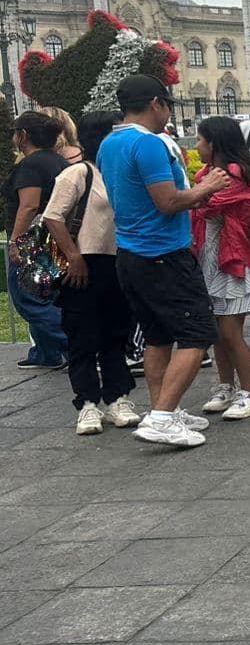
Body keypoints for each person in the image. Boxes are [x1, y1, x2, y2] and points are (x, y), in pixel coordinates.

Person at [97, 75, 231, 447]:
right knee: (198, 333)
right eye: (167, 105)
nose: (168, 113)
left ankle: (163, 410)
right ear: (156, 104)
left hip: (132, 253)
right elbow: (167, 202)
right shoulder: (149, 145)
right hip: (161, 255)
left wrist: (195, 196)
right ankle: (161, 417)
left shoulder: (110, 143)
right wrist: (207, 188)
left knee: (158, 336)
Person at [41, 111, 141, 434]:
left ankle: (117, 397)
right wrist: (74, 258)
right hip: (84, 262)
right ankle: (87, 403)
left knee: (116, 332)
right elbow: (53, 217)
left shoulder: (120, 171)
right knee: (83, 334)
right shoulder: (79, 174)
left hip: (119, 260)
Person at [191, 117, 250, 421]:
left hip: (233, 259)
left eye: (200, 140)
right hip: (211, 258)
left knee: (230, 331)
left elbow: (205, 205)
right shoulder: (210, 173)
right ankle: (226, 386)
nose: (196, 146)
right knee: (217, 331)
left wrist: (182, 196)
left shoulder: (235, 174)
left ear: (215, 143)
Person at [6, 111, 70, 370]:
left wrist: (15, 242)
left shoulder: (31, 165)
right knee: (46, 295)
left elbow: (29, 206)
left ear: (23, 136)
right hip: (53, 237)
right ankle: (46, 351)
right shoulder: (57, 161)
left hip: (33, 240)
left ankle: (74, 345)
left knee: (29, 299)